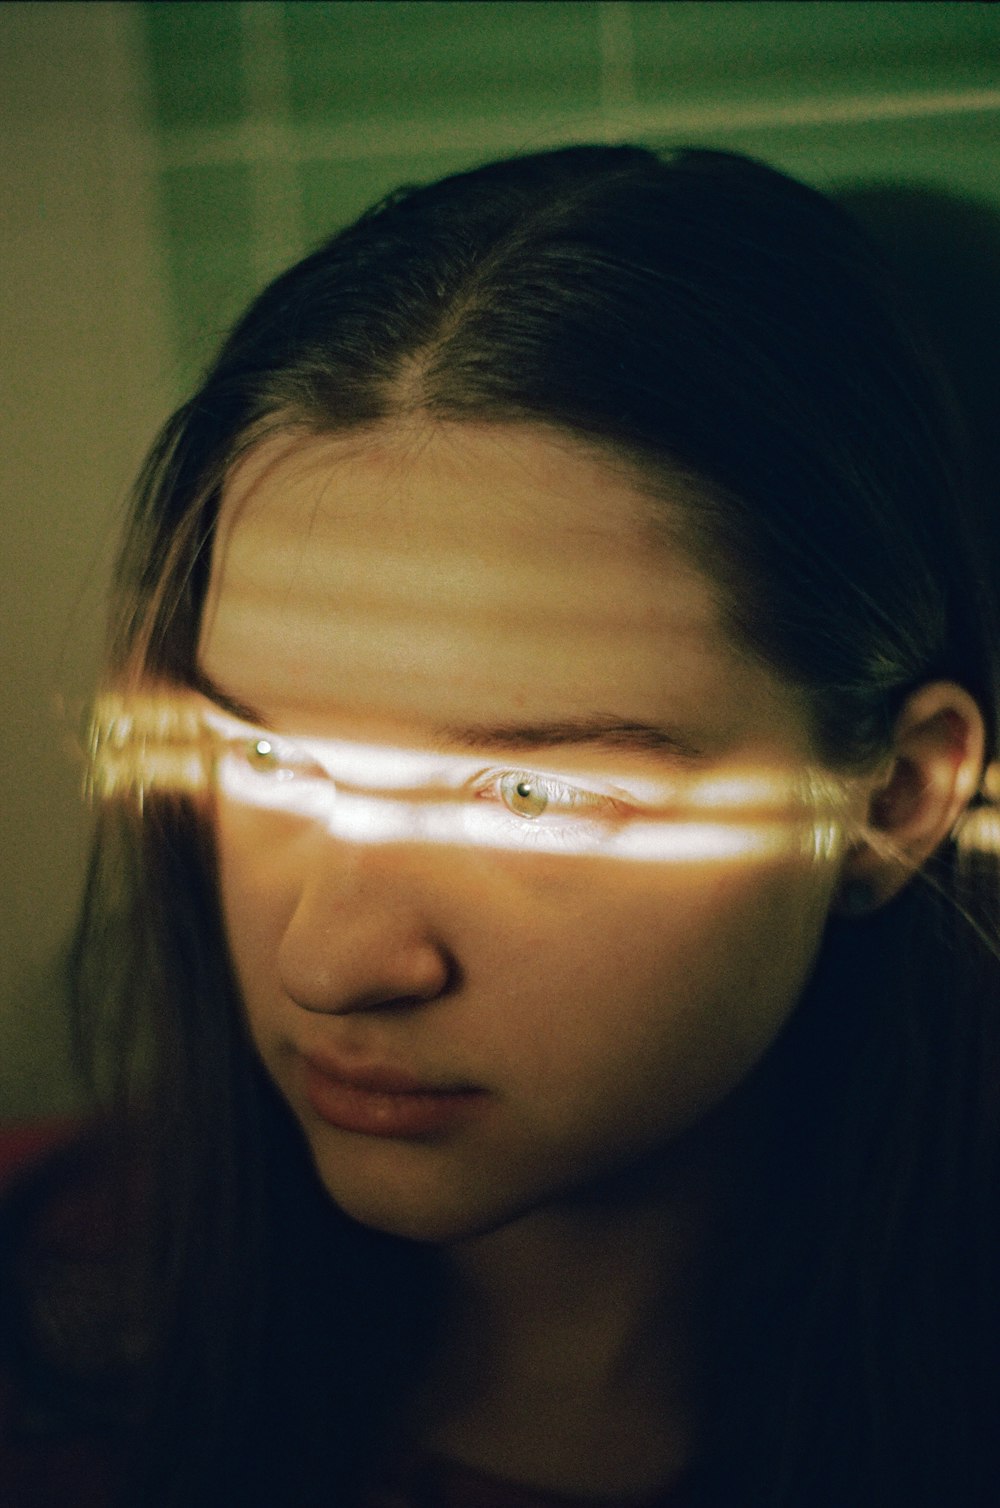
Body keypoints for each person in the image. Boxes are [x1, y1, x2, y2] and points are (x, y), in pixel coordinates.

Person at [2, 143, 998, 1508]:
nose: (328, 962)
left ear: (891, 804)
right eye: (267, 760)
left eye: (528, 795)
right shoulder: (45, 1322)